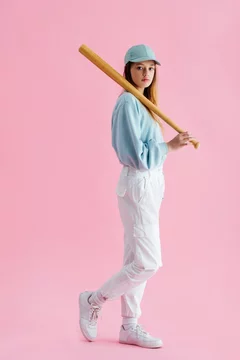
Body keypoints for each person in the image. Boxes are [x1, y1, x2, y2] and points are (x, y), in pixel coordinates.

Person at [79, 44, 194, 349]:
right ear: (127, 69)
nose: (145, 73)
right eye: (139, 67)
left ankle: (129, 325)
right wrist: (169, 147)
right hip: (138, 184)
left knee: (134, 258)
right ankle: (93, 299)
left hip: (151, 185)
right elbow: (135, 155)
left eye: (151, 68)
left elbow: (149, 157)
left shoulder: (144, 103)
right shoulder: (128, 103)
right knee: (148, 262)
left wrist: (169, 147)